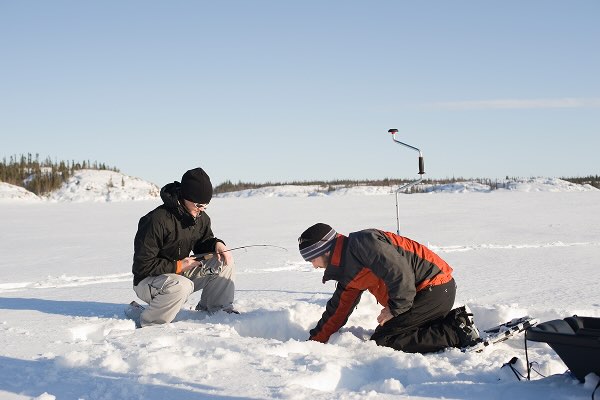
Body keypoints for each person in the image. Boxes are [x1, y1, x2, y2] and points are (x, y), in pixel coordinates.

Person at [298, 223, 480, 353]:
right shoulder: (347, 273)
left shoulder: (362, 243)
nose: (313, 266)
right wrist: (314, 342)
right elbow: (337, 311)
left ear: (324, 251)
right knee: (393, 334)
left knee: (385, 340)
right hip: (422, 295)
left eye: (312, 259)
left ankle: (456, 332)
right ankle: (454, 323)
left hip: (434, 287)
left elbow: (399, 272)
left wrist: (396, 308)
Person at [127, 167, 236, 328]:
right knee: (181, 286)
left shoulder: (200, 217)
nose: (201, 211)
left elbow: (203, 243)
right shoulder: (156, 220)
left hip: (179, 272)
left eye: (205, 206)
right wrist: (178, 265)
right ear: (186, 196)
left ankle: (215, 310)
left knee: (223, 261)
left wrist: (216, 244)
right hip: (147, 280)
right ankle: (150, 322)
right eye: (199, 205)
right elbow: (143, 265)